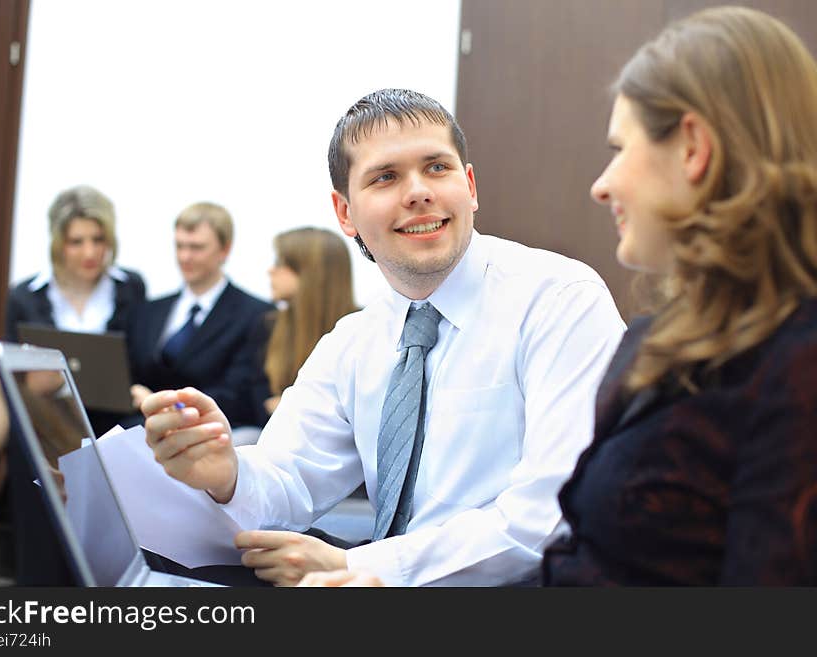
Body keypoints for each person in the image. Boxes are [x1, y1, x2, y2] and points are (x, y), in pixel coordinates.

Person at [301, 5, 817, 587]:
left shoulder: (793, 368)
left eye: (621, 149)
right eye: (385, 177)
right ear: (345, 211)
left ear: (693, 148)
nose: (603, 184)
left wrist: (376, 572)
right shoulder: (661, 342)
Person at [141, 89, 626, 587]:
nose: (418, 191)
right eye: (386, 177)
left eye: (438, 167)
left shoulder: (559, 300)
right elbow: (285, 480)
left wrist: (362, 566)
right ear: (345, 213)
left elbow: (551, 514)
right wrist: (226, 474)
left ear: (471, 186)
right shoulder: (354, 340)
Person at [0, 184, 146, 586]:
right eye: (77, 241)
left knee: (3, 437)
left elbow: (134, 363)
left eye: (98, 239)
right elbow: (16, 377)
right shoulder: (26, 295)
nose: (90, 252)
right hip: (43, 411)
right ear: (58, 243)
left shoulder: (129, 289)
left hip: (103, 416)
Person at [125, 202, 272, 431]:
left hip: (210, 433)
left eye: (196, 247)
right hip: (141, 430)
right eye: (179, 246)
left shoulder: (255, 314)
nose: (185, 256)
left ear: (224, 250)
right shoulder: (149, 311)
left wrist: (168, 405)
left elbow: (238, 393)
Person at [255, 227, 358, 422]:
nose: (271, 270)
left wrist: (288, 404)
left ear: (310, 271)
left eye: (279, 263)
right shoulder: (269, 324)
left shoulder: (360, 328)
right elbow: (260, 401)